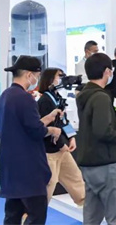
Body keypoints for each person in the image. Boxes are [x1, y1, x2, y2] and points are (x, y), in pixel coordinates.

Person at [0, 56, 62, 225]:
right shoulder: (25, 99)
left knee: (12, 215)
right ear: (29, 75)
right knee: (36, 215)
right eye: (37, 76)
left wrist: (46, 119)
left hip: (10, 168)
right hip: (29, 170)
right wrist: (52, 130)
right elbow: (35, 131)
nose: (36, 81)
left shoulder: (4, 97)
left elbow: (20, 128)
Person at [76, 53, 116, 225]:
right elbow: (103, 131)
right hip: (105, 161)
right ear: (107, 71)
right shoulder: (101, 97)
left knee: (92, 216)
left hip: (88, 161)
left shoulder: (84, 95)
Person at [37, 68, 85, 205]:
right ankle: (33, 213)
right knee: (49, 184)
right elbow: (47, 127)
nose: (62, 79)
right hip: (49, 151)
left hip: (62, 150)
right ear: (50, 79)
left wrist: (71, 137)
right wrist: (61, 144)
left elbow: (63, 120)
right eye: (59, 76)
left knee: (76, 179)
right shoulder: (44, 101)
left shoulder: (57, 97)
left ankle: (87, 206)